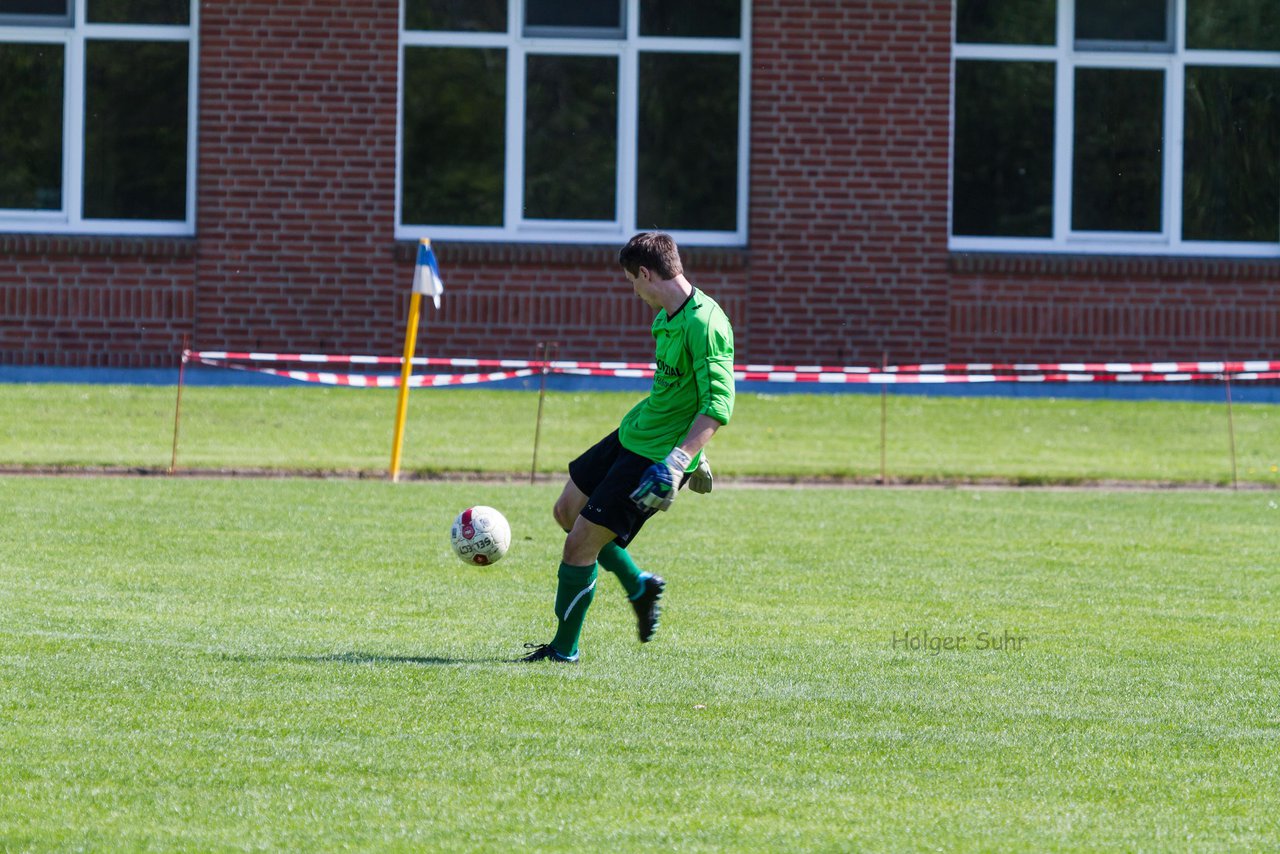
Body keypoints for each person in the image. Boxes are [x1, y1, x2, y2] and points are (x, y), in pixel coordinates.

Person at [520, 232, 736, 663]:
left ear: (645, 272)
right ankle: (639, 586)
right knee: (566, 512)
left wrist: (680, 460)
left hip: (654, 458)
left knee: (579, 546)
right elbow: (680, 393)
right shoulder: (664, 317)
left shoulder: (706, 324)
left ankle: (564, 651)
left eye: (632, 281)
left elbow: (717, 404)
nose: (632, 290)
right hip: (632, 432)